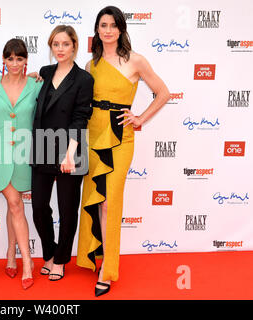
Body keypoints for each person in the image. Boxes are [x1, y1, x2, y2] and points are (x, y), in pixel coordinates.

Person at [76, 6, 170, 297]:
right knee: (94, 198)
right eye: (103, 25)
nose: (107, 30)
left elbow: (164, 92)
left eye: (113, 25)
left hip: (120, 138)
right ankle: (95, 255)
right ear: (97, 30)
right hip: (93, 135)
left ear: (121, 29)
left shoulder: (136, 60)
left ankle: (109, 268)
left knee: (110, 202)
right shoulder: (91, 65)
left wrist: (140, 118)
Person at [31, 25, 94, 282]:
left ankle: (61, 260)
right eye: (55, 44)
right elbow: (36, 86)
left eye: (65, 44)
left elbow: (80, 117)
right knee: (38, 208)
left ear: (74, 46)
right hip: (43, 146)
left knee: (68, 209)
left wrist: (69, 155)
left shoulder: (84, 80)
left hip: (71, 149)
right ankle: (49, 251)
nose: (60, 49)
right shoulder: (46, 72)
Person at [0, 38, 42, 290]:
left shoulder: (37, 85)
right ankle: (27, 262)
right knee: (16, 204)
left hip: (25, 154)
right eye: (10, 58)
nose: (14, 63)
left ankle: (9, 253)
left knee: (13, 204)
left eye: (19, 58)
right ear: (3, 60)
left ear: (26, 61)